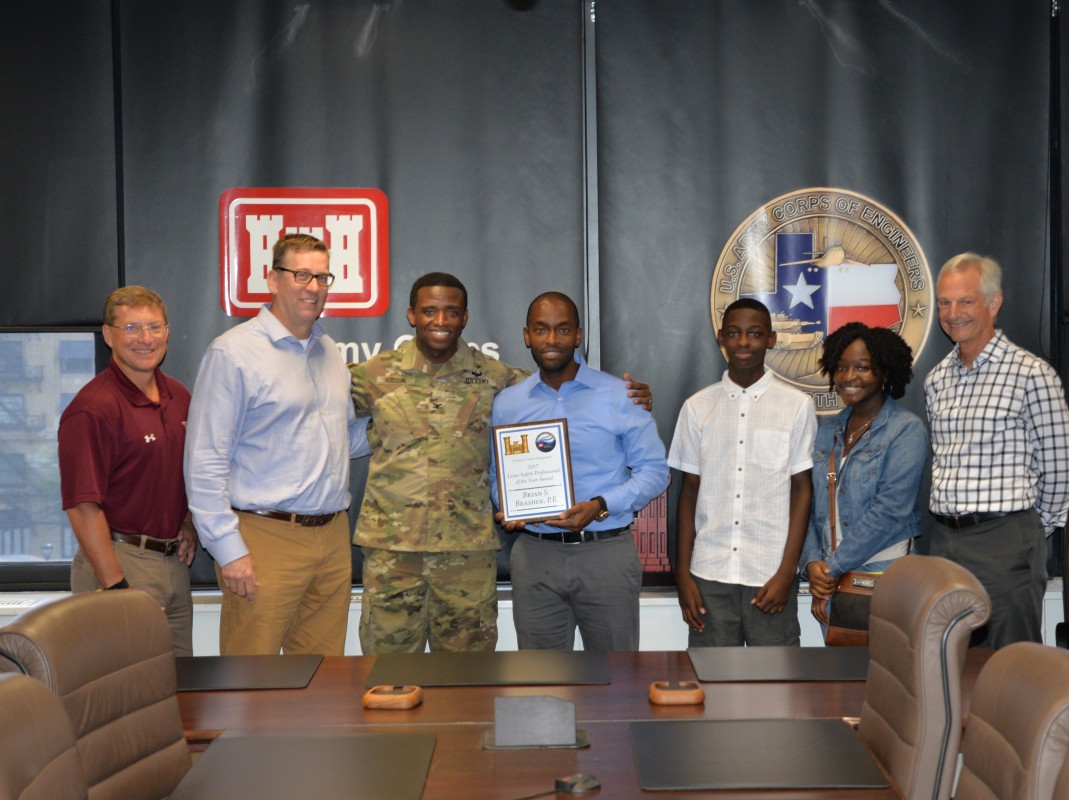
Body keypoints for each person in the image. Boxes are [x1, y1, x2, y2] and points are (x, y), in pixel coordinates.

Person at [351, 275, 652, 654]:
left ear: (465, 318)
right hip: (391, 555)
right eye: (429, 310)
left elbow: (562, 388)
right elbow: (315, 406)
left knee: (469, 680)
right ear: (411, 315)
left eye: (452, 311)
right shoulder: (371, 374)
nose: (440, 320)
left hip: (466, 558)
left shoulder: (498, 378)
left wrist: (631, 396)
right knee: (386, 674)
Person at [185, 234, 369, 655]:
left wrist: (399, 424)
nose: (314, 286)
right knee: (251, 682)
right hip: (265, 538)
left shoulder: (328, 350)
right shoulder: (233, 354)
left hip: (332, 537)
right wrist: (229, 551)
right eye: (301, 274)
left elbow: (342, 440)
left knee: (324, 679)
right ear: (272, 279)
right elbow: (205, 461)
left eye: (322, 276)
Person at [490, 292, 668, 651]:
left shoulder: (621, 395)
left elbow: (655, 471)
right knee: (541, 682)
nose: (552, 339)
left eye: (562, 329)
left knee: (618, 683)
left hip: (605, 554)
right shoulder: (508, 403)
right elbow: (497, 474)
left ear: (578, 335)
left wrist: (600, 505)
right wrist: (508, 506)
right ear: (527, 336)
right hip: (535, 555)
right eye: (541, 330)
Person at [925, 252, 1069, 648]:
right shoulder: (937, 379)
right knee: (948, 663)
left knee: (1011, 667)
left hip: (1006, 540)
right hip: (944, 541)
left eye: (966, 300)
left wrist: (1024, 529)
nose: (953, 312)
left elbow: (1061, 470)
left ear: (994, 303)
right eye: (944, 302)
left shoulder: (1032, 374)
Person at [668, 298, 816, 647]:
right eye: (734, 333)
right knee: (713, 688)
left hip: (769, 575)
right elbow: (688, 493)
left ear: (771, 339)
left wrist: (786, 572)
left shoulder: (796, 406)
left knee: (775, 689)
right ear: (721, 338)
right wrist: (683, 575)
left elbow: (802, 491)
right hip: (708, 574)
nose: (744, 342)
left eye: (754, 333)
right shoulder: (697, 407)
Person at [59, 286, 197, 656]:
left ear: (167, 332)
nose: (145, 339)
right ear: (108, 335)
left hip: (173, 565)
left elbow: (185, 472)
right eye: (132, 328)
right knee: (121, 696)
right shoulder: (92, 408)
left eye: (154, 327)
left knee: (178, 691)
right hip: (119, 562)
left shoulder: (180, 396)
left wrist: (186, 520)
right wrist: (115, 585)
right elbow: (81, 504)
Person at [802, 321, 927, 629]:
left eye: (862, 368)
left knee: (887, 673)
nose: (849, 377)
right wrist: (812, 565)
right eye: (841, 367)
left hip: (883, 574)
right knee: (840, 673)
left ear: (884, 372)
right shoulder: (827, 430)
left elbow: (889, 513)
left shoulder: (905, 430)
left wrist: (830, 568)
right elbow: (811, 504)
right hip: (831, 580)